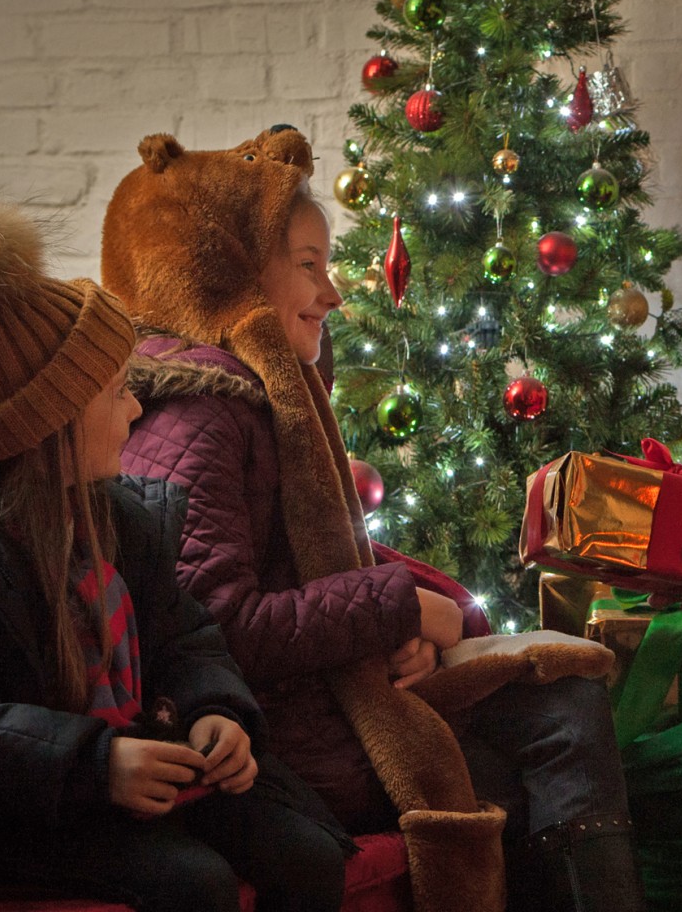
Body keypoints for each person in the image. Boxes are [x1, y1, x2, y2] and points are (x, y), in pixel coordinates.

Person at [99, 125, 644, 912]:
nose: (334, 295)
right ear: (230, 273)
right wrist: (397, 609)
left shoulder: (250, 400)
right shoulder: (199, 417)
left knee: (563, 696)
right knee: (553, 728)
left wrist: (427, 616)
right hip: (298, 742)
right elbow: (217, 623)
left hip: (336, 707)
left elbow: (330, 562)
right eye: (310, 268)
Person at [0, 197, 348, 912]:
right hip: (12, 802)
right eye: (118, 392)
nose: (137, 412)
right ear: (47, 425)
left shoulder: (120, 517)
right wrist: (94, 765)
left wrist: (217, 712)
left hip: (131, 761)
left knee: (305, 855)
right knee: (192, 885)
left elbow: (185, 636)